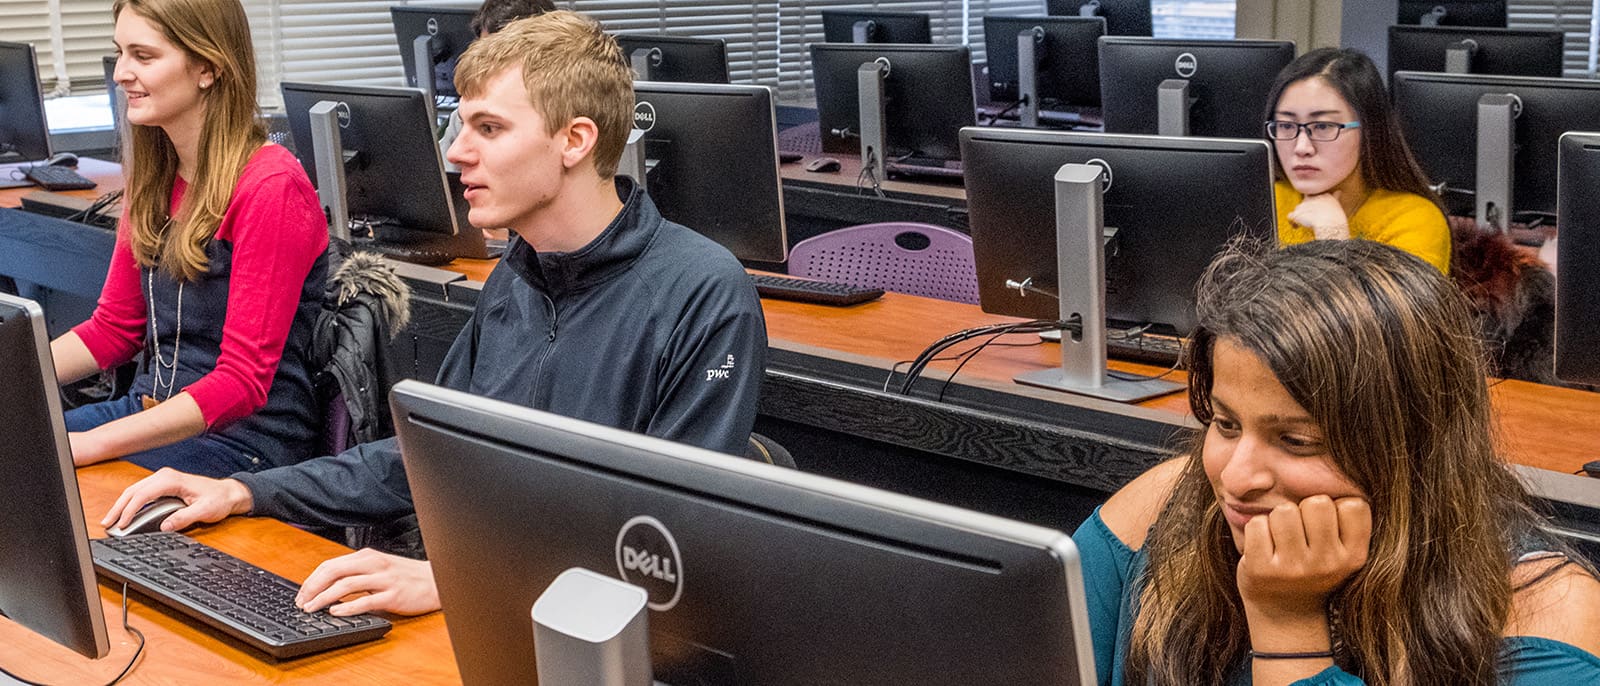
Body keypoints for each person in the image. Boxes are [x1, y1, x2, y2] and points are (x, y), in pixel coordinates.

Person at [103, 10, 767, 618]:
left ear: (576, 140)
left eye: (489, 128)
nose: (455, 152)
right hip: (496, 598)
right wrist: (245, 492)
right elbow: (419, 459)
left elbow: (671, 539)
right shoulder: (520, 278)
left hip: (597, 629)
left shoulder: (701, 292)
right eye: (461, 125)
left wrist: (460, 583)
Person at [1075, 239, 1600, 685]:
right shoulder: (1163, 503)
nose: (1235, 478)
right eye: (1225, 424)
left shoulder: (1548, 612)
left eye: (1297, 441)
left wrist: (1288, 628)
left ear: (1412, 447)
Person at [52, 0, 328, 478]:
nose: (120, 72)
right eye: (120, 53)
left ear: (207, 67)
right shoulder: (157, 174)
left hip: (244, 446)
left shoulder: (272, 187)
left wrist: (90, 444)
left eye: (143, 56)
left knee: (44, 480)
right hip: (149, 414)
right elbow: (115, 329)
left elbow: (241, 382)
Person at [1265, 48, 1451, 274]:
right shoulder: (1268, 201)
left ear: (1369, 131)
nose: (1302, 147)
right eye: (1286, 126)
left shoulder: (1416, 220)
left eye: (1323, 126)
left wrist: (1333, 238)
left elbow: (1393, 310)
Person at [438, 0, 557, 172]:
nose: (486, 66)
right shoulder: (464, 117)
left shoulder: (560, 115)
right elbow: (441, 180)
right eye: (483, 53)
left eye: (488, 128)